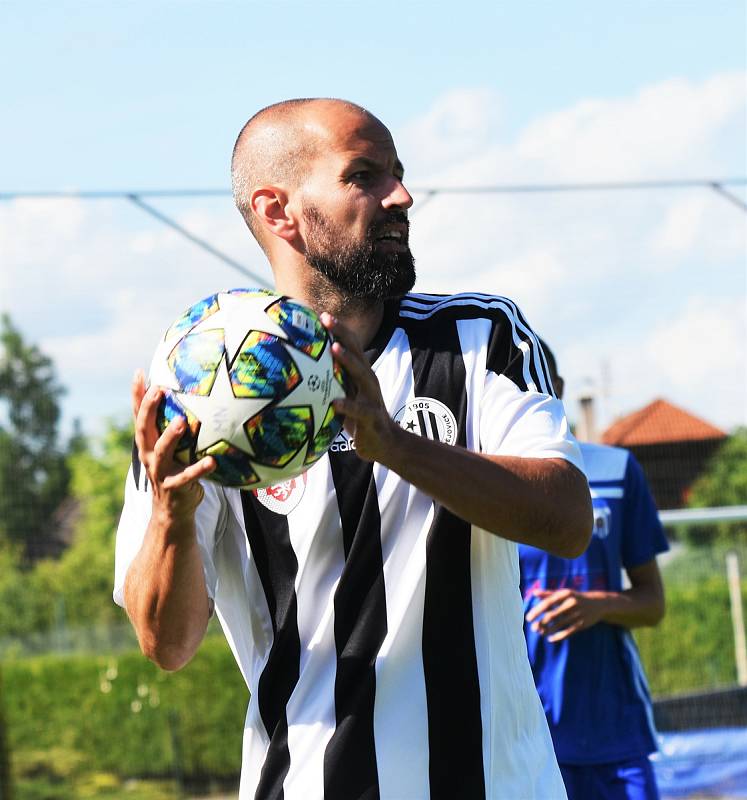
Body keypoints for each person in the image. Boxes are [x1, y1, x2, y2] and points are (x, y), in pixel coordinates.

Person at [114, 98, 593, 800]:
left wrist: (393, 445)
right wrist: (171, 517)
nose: (400, 196)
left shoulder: (474, 337)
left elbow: (565, 519)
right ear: (277, 211)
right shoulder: (197, 385)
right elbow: (167, 644)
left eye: (397, 174)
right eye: (363, 175)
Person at [519, 341, 669, 800]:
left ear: (556, 388)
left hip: (613, 733)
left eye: (536, 384)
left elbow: (653, 604)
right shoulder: (483, 482)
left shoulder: (617, 468)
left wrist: (597, 606)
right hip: (525, 734)